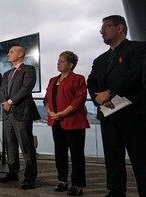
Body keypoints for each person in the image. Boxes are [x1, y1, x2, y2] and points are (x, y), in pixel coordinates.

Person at [87, 15, 146, 197]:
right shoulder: (99, 59)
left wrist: (110, 92)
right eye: (101, 28)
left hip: (133, 114)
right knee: (112, 157)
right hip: (109, 114)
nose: (101, 31)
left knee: (141, 158)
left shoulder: (138, 49)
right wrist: (99, 98)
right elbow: (91, 81)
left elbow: (135, 76)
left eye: (106, 27)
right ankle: (116, 191)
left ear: (120, 28)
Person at [44, 51, 89, 196]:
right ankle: (62, 181)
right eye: (58, 60)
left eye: (62, 61)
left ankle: (77, 184)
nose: (58, 63)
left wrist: (63, 113)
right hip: (56, 121)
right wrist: (50, 111)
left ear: (70, 65)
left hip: (73, 121)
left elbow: (80, 98)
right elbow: (46, 100)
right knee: (60, 153)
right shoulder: (52, 80)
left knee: (76, 155)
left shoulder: (78, 79)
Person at [0, 45, 40, 190]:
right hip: (8, 114)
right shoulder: (6, 74)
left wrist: (10, 102)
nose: (8, 54)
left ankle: (30, 179)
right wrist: (5, 103)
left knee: (26, 147)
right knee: (10, 145)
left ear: (21, 54)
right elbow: (2, 90)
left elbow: (26, 88)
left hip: (22, 112)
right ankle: (12, 173)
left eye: (11, 52)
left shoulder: (29, 70)